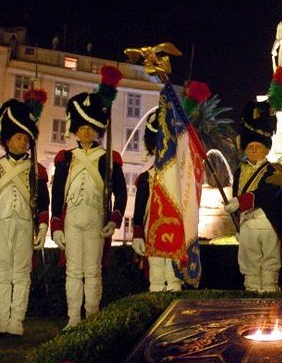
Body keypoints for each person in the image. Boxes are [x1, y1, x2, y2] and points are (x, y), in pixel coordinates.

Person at [51, 89, 127, 330]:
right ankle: (74, 318)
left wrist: (114, 219)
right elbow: (57, 193)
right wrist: (55, 225)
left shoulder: (109, 157)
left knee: (93, 271)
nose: (85, 131)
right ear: (76, 129)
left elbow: (121, 194)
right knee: (73, 271)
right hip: (72, 216)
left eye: (90, 128)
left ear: (97, 130)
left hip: (96, 216)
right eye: (82, 127)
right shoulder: (65, 158)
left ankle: (92, 316)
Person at [224, 99, 282, 293]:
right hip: (247, 224)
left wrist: (239, 202)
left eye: (258, 147)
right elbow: (236, 192)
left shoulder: (279, 170)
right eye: (250, 147)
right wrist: (238, 221)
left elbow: (268, 194)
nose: (254, 150)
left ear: (267, 149)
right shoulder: (239, 171)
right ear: (245, 148)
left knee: (271, 266)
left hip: (269, 223)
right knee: (250, 268)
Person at [0, 99, 49, 336]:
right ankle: (0, 320)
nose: (23, 142)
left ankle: (16, 321)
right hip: (0, 223)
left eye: (26, 139)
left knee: (21, 274)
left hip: (24, 223)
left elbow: (43, 202)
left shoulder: (35, 170)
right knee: (0, 274)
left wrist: (42, 227)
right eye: (18, 137)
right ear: (7, 140)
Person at [130, 110, 183, 292]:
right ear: (152, 148)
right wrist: (137, 234)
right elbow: (139, 210)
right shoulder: (146, 177)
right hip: (152, 231)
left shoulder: (181, 178)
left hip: (176, 232)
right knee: (156, 276)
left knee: (174, 277)